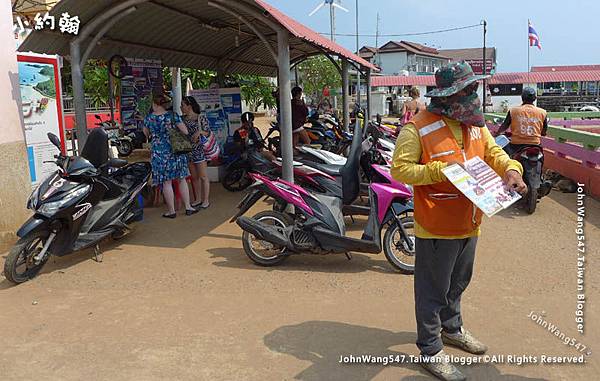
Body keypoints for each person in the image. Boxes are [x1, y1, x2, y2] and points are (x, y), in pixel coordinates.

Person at [391, 61, 527, 381]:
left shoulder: (474, 125)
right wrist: (442, 171)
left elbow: (496, 154)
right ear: (450, 95)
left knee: (458, 282)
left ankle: (452, 329)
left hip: (471, 220)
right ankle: (430, 348)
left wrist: (512, 170)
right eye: (467, 91)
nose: (474, 96)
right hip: (437, 224)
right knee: (432, 289)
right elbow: (400, 170)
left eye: (473, 89)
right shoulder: (418, 128)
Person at [143, 93, 198, 218]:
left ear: (155, 105)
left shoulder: (149, 118)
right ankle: (188, 207)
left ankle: (171, 211)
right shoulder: (173, 116)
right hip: (176, 152)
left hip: (159, 154)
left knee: (166, 183)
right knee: (182, 179)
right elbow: (185, 131)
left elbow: (146, 134)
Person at [494, 87, 548, 157]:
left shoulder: (513, 111)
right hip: (535, 144)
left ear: (522, 98)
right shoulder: (543, 112)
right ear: (535, 98)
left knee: (504, 156)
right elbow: (543, 132)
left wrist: (497, 134)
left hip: (516, 144)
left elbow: (505, 125)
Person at [181, 95, 210, 209]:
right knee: (194, 177)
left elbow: (208, 132)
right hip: (188, 151)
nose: (181, 107)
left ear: (189, 106)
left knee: (203, 176)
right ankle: (198, 199)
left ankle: (206, 200)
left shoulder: (200, 118)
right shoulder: (182, 119)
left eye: (183, 105)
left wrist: (199, 132)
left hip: (199, 150)